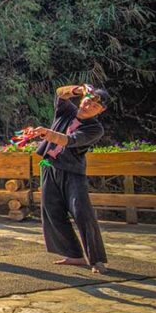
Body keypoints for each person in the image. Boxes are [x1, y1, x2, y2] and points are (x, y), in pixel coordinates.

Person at [25, 84, 110, 274]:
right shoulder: (67, 111)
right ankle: (74, 255)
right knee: (52, 212)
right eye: (87, 101)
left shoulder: (95, 129)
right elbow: (60, 93)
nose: (88, 106)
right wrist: (79, 89)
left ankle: (96, 260)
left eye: (94, 106)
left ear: (101, 111)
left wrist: (47, 133)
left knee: (82, 212)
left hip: (73, 172)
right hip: (50, 168)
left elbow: (70, 141)